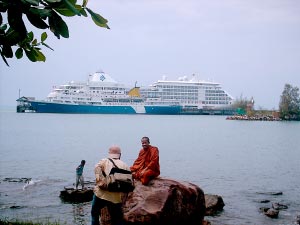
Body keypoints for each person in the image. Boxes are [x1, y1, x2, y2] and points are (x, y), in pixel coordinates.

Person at [91, 145, 130, 225]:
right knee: (117, 219)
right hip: (115, 197)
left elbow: (96, 168)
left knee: (94, 214)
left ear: (109, 153)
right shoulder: (125, 165)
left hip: (100, 194)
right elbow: (128, 183)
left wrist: (101, 182)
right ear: (120, 154)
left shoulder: (104, 161)